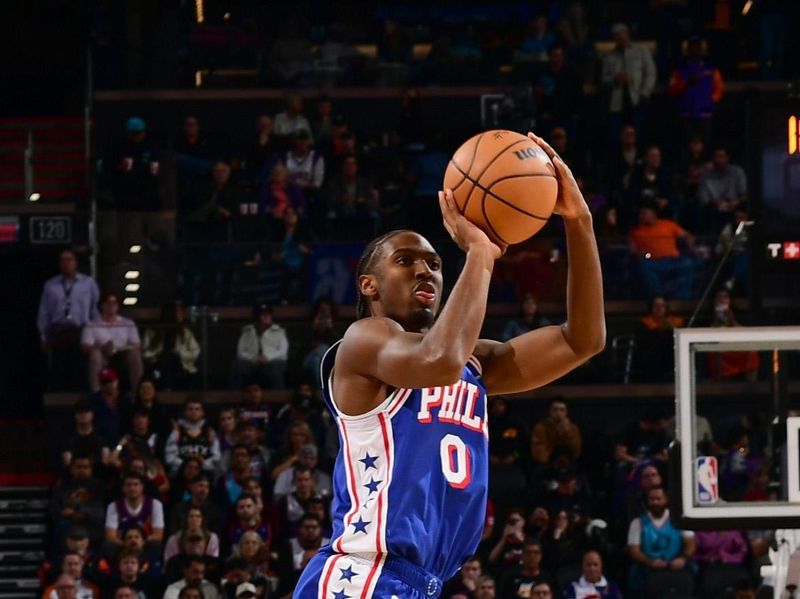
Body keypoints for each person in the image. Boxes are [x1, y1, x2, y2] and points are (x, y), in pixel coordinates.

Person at [292, 133, 605, 598]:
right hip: (363, 574)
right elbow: (438, 361)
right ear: (369, 286)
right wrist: (480, 254)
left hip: (425, 581)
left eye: (436, 263)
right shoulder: (363, 342)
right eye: (405, 261)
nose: (426, 271)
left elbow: (583, 340)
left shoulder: (472, 362)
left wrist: (579, 222)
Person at [38, 249, 100, 390]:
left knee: (81, 364)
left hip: (81, 328)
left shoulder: (88, 283)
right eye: (63, 260)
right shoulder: (50, 285)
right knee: (58, 365)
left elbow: (94, 309)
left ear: (76, 263)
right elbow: (44, 313)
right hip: (59, 328)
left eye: (69, 260)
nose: (66, 263)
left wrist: (96, 332)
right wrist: (43, 337)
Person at [627, 486, 696, 599]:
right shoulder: (637, 522)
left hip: (676, 563)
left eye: (658, 499)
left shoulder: (679, 519)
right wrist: (650, 562)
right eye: (651, 499)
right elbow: (634, 550)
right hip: (649, 565)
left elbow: (690, 543)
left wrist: (683, 558)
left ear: (666, 499)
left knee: (694, 570)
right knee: (635, 575)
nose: (655, 502)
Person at [81, 291, 143, 392]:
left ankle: (137, 391)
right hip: (103, 356)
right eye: (108, 303)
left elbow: (136, 344)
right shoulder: (91, 324)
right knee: (95, 355)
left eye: (114, 303)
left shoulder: (128, 323)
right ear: (102, 306)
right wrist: (102, 348)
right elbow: (85, 346)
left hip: (122, 355)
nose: (111, 306)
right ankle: (96, 392)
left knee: (135, 354)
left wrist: (120, 348)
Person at [141, 302, 200, 390]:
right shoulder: (152, 332)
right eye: (179, 312)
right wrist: (157, 352)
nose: (182, 315)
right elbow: (144, 353)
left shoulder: (185, 332)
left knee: (171, 356)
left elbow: (195, 351)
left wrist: (180, 353)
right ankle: (162, 379)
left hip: (181, 367)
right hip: (157, 363)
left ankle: (161, 378)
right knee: (166, 357)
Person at [235, 305, 289, 390]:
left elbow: (283, 351)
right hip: (252, 362)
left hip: (272, 361)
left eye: (268, 314)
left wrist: (267, 357)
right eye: (263, 315)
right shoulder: (247, 331)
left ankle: (277, 397)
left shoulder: (279, 331)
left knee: (274, 368)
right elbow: (240, 351)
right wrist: (253, 358)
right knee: (238, 366)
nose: (267, 317)